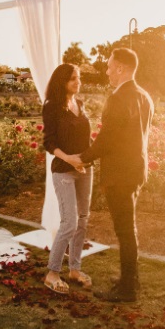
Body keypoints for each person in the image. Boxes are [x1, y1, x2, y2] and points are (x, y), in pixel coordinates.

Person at [81, 47, 154, 303]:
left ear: (121, 68)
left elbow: (108, 138)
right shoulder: (145, 96)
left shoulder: (119, 97)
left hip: (120, 174)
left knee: (124, 230)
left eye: (110, 66)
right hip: (135, 171)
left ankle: (127, 290)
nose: (107, 70)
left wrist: (82, 158)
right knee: (128, 228)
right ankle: (130, 280)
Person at [41, 63, 94, 295]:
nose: (77, 81)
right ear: (62, 81)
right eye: (73, 78)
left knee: (83, 219)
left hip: (85, 169)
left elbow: (86, 139)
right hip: (63, 169)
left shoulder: (79, 105)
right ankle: (52, 273)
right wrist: (71, 159)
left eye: (79, 77)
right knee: (69, 222)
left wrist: (86, 159)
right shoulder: (52, 106)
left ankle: (74, 269)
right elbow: (49, 142)